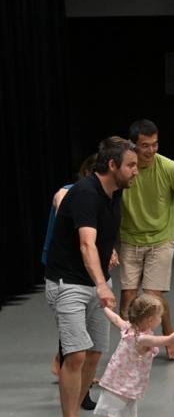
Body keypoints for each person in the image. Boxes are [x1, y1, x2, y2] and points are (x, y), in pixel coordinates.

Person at [46, 137, 138, 417]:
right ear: (112, 166)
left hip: (94, 280)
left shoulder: (114, 195)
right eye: (131, 165)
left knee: (95, 353)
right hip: (68, 282)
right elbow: (86, 244)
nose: (136, 171)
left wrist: (108, 254)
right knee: (75, 354)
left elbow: (98, 237)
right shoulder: (85, 193)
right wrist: (101, 284)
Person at [119, 119, 174, 360]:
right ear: (133, 145)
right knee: (127, 296)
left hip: (161, 237)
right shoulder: (126, 169)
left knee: (153, 295)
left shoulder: (168, 167)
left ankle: (168, 334)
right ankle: (129, 342)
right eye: (145, 145)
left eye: (154, 144)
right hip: (130, 237)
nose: (151, 150)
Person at [42, 154, 97, 385]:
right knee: (73, 324)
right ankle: (65, 366)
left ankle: (73, 370)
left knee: (81, 323)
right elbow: (64, 206)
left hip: (79, 265)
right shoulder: (67, 191)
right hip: (62, 266)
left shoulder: (100, 199)